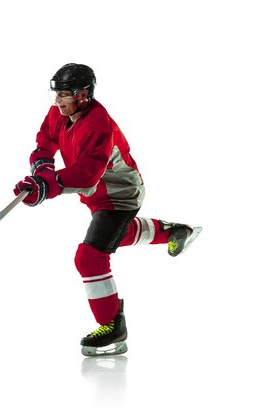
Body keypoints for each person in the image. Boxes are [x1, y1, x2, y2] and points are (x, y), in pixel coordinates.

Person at [14, 63, 201, 356]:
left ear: (83, 94)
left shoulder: (98, 123)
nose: (57, 101)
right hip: (97, 196)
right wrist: (42, 172)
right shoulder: (60, 113)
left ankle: (113, 327)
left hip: (120, 195)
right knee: (115, 235)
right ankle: (174, 231)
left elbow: (87, 173)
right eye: (56, 95)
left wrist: (48, 186)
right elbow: (45, 141)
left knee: (89, 257)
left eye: (63, 95)